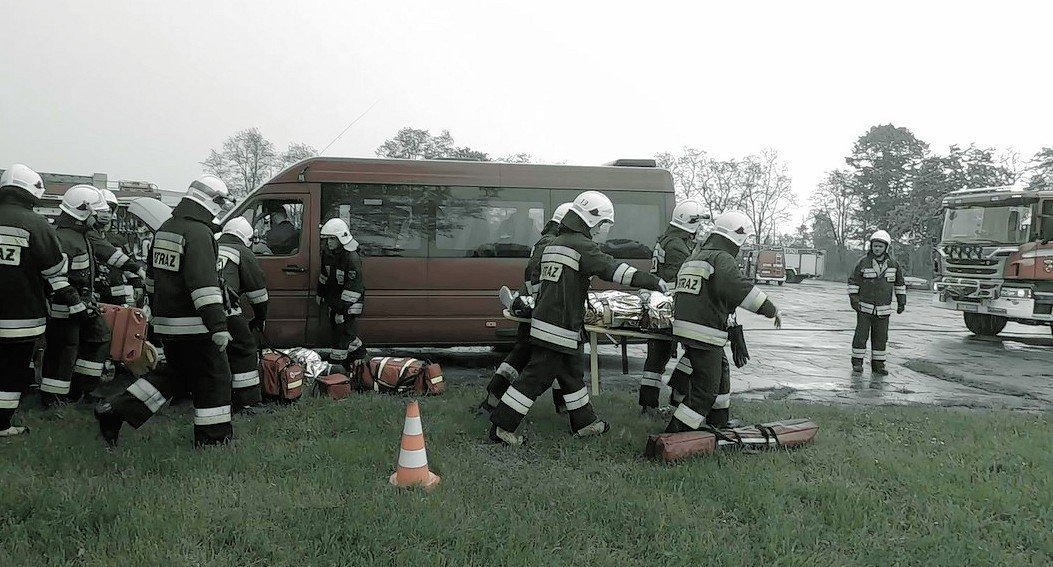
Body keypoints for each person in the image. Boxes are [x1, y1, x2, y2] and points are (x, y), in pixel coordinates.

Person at [488, 191, 667, 446]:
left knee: (572, 376)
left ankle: (585, 423)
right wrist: (653, 281)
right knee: (535, 378)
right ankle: (502, 427)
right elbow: (612, 269)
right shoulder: (580, 245)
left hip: (551, 323)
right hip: (558, 327)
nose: (605, 231)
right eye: (606, 224)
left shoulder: (556, 242)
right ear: (594, 220)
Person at [94, 175, 236, 447]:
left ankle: (115, 411)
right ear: (212, 202)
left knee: (174, 376)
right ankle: (213, 439)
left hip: (168, 323)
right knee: (214, 378)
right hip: (195, 324)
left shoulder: (167, 228)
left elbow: (151, 280)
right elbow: (203, 285)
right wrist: (218, 326)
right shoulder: (198, 233)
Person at [665, 210, 781, 433]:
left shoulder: (696, 256)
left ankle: (718, 420)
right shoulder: (722, 258)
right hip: (704, 331)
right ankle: (675, 434)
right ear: (737, 236)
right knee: (704, 391)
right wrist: (769, 309)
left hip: (688, 328)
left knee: (721, 369)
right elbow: (737, 288)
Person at [0, 165, 83, 436]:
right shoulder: (35, 224)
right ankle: (1, 425)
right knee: (11, 372)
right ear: (33, 193)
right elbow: (54, 270)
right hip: (20, 317)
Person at [480, 202, 574, 414]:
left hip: (538, 313)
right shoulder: (550, 243)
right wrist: (538, 302)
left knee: (548, 361)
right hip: (542, 316)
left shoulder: (547, 240)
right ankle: (497, 406)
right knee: (530, 361)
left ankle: (494, 402)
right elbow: (536, 278)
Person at [39, 185, 111, 406]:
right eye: (95, 213)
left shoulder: (80, 235)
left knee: (99, 337)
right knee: (62, 349)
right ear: (83, 211)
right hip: (64, 306)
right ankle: (53, 397)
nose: (98, 218)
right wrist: (75, 303)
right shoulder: (63, 238)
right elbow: (55, 277)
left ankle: (81, 390)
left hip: (82, 303)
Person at [638, 199, 706, 415]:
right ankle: (672, 397)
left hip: (661, 305)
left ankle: (651, 404)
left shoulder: (669, 239)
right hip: (670, 306)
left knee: (658, 356)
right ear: (690, 222)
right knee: (690, 352)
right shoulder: (678, 245)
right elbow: (686, 276)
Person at [217, 217, 270, 411]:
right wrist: (260, 318)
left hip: (199, 309)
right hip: (226, 308)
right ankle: (247, 402)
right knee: (245, 349)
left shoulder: (211, 246)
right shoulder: (242, 252)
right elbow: (258, 294)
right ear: (246, 237)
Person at [848, 230, 906, 375]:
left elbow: (900, 284)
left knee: (881, 338)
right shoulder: (863, 262)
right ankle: (857, 363)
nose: (877, 249)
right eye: (875, 246)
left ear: (886, 247)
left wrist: (901, 302)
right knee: (861, 337)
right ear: (871, 247)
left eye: (880, 246)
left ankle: (878, 365)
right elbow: (853, 282)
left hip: (883, 311)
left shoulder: (894, 264)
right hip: (864, 309)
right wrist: (854, 301)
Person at [317, 218, 366, 364]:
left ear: (341, 238)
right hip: (336, 301)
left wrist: (341, 310)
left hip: (349, 305)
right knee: (346, 335)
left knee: (342, 336)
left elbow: (353, 288)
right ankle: (360, 361)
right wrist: (320, 292)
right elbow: (324, 275)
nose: (329, 242)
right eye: (328, 239)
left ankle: (337, 368)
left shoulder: (351, 258)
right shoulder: (328, 253)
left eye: (332, 239)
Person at [91, 188, 146, 308]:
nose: (106, 215)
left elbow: (128, 263)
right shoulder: (88, 236)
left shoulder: (119, 240)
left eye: (109, 211)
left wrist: (137, 284)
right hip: (94, 294)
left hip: (116, 296)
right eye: (102, 211)